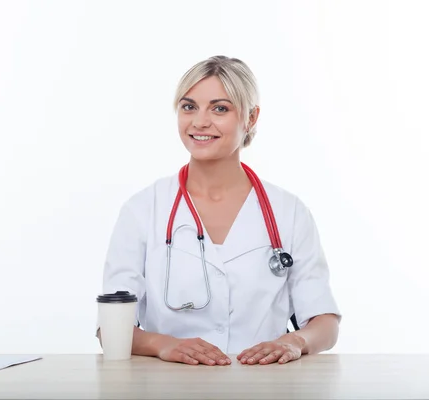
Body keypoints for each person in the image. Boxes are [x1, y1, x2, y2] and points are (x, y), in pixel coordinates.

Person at [96, 55, 341, 366]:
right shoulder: (143, 209)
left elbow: (325, 322)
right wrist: (162, 344)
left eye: (220, 108)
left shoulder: (289, 212)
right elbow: (111, 328)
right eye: (189, 107)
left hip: (265, 385)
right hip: (168, 385)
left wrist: (295, 341)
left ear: (251, 118)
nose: (199, 121)